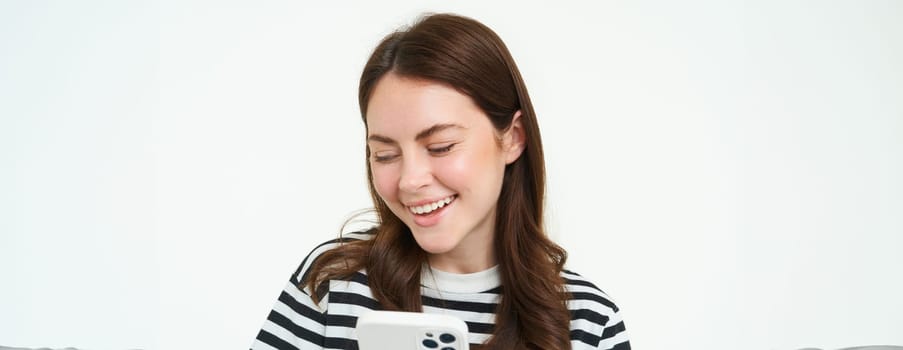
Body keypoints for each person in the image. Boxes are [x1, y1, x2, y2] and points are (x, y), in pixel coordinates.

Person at [251, 13, 630, 350]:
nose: (411, 180)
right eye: (385, 155)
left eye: (441, 146)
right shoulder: (333, 285)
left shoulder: (587, 323)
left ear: (512, 138)